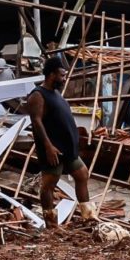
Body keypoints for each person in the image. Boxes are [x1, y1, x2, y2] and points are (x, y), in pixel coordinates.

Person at [24, 55, 95, 227]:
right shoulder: (38, 95)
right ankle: (51, 224)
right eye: (62, 75)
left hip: (67, 150)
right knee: (49, 184)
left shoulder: (55, 93)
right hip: (53, 149)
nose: (64, 79)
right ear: (51, 75)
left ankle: (89, 217)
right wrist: (48, 146)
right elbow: (36, 121)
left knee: (82, 174)